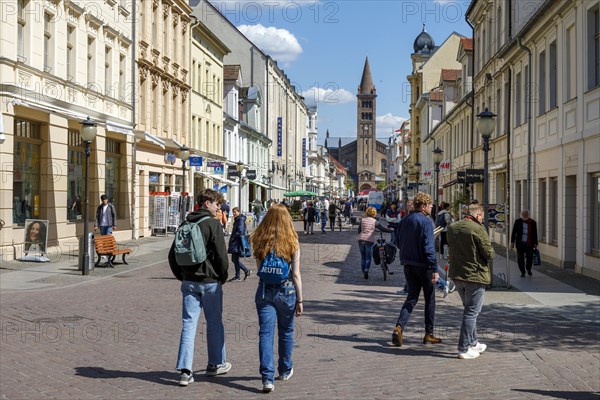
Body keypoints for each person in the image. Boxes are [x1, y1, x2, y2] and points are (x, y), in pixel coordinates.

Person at [168, 189, 232, 386]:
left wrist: (183, 276)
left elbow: (172, 256)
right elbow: (222, 256)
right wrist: (222, 277)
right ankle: (215, 364)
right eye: (216, 204)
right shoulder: (212, 224)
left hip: (189, 282)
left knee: (188, 324)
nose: (218, 208)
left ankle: (185, 371)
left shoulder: (185, 223)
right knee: (214, 324)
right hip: (210, 282)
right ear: (206, 203)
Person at [250, 204, 303, 393]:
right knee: (286, 331)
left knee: (265, 334)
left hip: (264, 291)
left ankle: (267, 378)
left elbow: (259, 269)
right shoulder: (292, 241)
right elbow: (295, 274)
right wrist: (300, 300)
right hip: (286, 291)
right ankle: (285, 369)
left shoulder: (259, 240)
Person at [391, 192, 441, 346]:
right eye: (431, 205)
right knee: (429, 299)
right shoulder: (426, 221)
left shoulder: (405, 219)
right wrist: (434, 268)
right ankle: (429, 333)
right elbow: (428, 247)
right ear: (424, 206)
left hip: (408, 264)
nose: (432, 208)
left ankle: (399, 327)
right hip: (424, 266)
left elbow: (398, 241)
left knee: (412, 298)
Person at [447, 203, 495, 359]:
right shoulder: (478, 229)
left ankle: (474, 342)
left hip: (457, 274)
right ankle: (463, 348)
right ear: (479, 215)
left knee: (469, 310)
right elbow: (489, 253)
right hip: (475, 275)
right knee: (471, 313)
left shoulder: (453, 227)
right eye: (482, 217)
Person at [358, 207, 393, 279]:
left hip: (361, 240)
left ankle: (362, 273)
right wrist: (391, 231)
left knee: (363, 257)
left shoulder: (362, 220)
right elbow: (382, 228)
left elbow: (359, 230)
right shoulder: (374, 221)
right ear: (374, 213)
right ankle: (366, 270)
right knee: (368, 257)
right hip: (369, 240)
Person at [510, 210, 539, 277]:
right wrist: (512, 242)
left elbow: (535, 233)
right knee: (520, 259)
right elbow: (514, 232)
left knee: (529, 257)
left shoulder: (532, 222)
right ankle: (522, 271)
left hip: (529, 243)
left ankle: (528, 269)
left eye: (526, 214)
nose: (525, 215)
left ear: (528, 215)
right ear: (521, 215)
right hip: (520, 243)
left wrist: (535, 243)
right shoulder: (518, 222)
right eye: (523, 214)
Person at [228, 207, 252, 282]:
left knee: (235, 259)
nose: (234, 214)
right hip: (236, 242)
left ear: (239, 212)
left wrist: (233, 237)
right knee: (234, 259)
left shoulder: (240, 219)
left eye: (235, 212)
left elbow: (240, 231)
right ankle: (243, 272)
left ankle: (240, 275)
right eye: (233, 212)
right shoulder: (238, 219)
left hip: (237, 242)